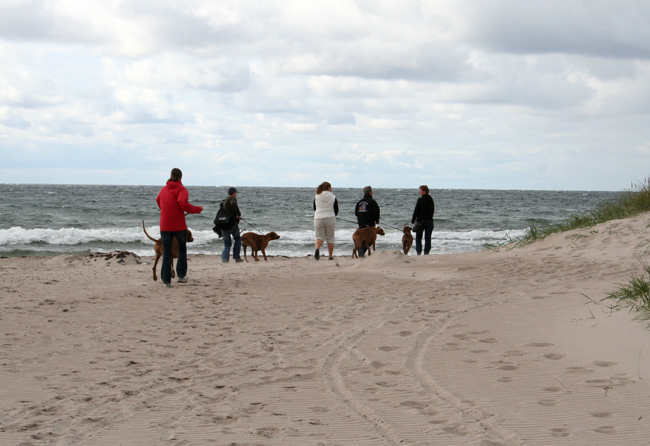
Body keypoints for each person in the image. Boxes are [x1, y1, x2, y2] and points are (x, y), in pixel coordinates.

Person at [156, 168, 203, 286]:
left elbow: (158, 201)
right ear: (181, 177)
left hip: (165, 225)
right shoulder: (182, 189)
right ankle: (181, 276)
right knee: (182, 249)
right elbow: (183, 203)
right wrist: (197, 209)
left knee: (167, 252)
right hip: (179, 226)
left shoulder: (163, 190)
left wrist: (166, 211)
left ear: (171, 176)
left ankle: (166, 281)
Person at [313, 181, 338, 260]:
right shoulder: (333, 197)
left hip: (318, 217)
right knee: (330, 237)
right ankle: (330, 256)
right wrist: (334, 215)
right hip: (330, 217)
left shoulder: (317, 196)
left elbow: (315, 208)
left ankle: (317, 249)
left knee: (319, 236)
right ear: (328, 188)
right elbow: (336, 209)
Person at [354, 185, 380, 257]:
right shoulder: (372, 202)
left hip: (361, 223)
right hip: (370, 224)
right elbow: (376, 212)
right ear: (370, 193)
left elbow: (356, 213)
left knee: (362, 237)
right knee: (371, 239)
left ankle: (360, 250)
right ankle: (362, 249)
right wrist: (377, 220)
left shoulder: (359, 202)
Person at [221, 187, 243, 263]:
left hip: (223, 224)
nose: (236, 194)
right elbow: (233, 205)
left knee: (227, 243)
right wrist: (238, 214)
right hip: (232, 224)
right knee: (237, 239)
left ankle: (225, 259)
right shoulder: (233, 199)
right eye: (236, 193)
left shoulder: (224, 201)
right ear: (234, 193)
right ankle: (237, 257)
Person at [411, 185, 435, 255]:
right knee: (428, 238)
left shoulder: (420, 200)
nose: (419, 192)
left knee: (418, 237)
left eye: (420, 190)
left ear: (424, 191)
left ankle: (419, 252)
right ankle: (426, 253)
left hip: (421, 221)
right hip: (429, 221)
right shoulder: (431, 199)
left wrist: (413, 219)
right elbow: (432, 210)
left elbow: (416, 210)